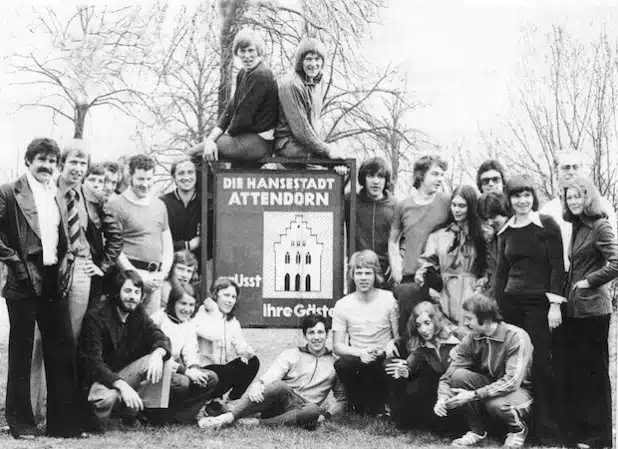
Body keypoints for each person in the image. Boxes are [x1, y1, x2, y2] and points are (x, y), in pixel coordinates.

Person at [0, 138, 85, 438]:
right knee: (21, 352)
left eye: (51, 161)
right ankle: (21, 423)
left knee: (61, 349)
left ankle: (64, 424)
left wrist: (67, 263)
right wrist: (15, 264)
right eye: (41, 160)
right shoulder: (9, 192)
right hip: (22, 281)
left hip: (52, 280)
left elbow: (66, 238)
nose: (46, 166)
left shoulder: (57, 194)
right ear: (28, 161)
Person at [494, 174, 565, 445]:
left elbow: (558, 267)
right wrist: (498, 312)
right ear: (509, 199)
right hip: (512, 306)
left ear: (533, 196)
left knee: (541, 365)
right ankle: (516, 425)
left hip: (539, 305)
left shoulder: (546, 224)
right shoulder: (507, 230)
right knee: (516, 366)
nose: (522, 201)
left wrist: (554, 305)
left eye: (526, 195)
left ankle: (545, 430)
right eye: (516, 196)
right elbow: (501, 275)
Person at [197, 313, 346, 429]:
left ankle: (255, 423)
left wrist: (326, 416)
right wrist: (259, 383)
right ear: (305, 335)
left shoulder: (334, 363)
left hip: (304, 410)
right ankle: (227, 417)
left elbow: (341, 399)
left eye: (320, 332)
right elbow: (272, 374)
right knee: (279, 385)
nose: (316, 337)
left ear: (327, 334)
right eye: (311, 333)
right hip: (278, 403)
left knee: (313, 410)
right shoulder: (292, 354)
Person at [78, 270, 172, 432]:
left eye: (137, 292)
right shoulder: (97, 316)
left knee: (162, 359)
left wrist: (158, 354)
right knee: (105, 398)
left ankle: (145, 416)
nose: (132, 297)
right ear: (116, 292)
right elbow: (94, 363)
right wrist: (122, 386)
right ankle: (100, 423)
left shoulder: (137, 312)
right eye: (127, 291)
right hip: (100, 378)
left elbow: (160, 336)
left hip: (124, 373)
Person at [435, 294, 533, 449]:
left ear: (486, 319)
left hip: (519, 391)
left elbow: (512, 381)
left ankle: (517, 430)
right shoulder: (473, 337)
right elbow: (450, 374)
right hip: (490, 387)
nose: (465, 323)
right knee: (459, 376)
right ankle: (477, 431)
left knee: (496, 404)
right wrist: (442, 397)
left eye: (469, 318)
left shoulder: (516, 336)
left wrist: (473, 394)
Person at [561, 175, 617, 448]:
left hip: (594, 310)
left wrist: (589, 280)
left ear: (588, 198)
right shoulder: (576, 226)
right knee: (579, 371)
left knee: (595, 372)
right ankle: (583, 432)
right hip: (575, 310)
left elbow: (617, 262)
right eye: (569, 197)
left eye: (578, 196)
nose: (573, 201)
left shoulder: (600, 225)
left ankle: (601, 437)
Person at [57, 140, 123, 339]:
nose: (78, 169)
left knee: (74, 329)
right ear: (62, 163)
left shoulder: (94, 196)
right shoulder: (48, 191)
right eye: (73, 162)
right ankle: (37, 372)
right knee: (44, 330)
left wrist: (103, 266)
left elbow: (115, 235)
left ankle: (68, 371)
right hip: (53, 265)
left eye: (82, 164)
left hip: (82, 267)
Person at [190, 29, 278, 166]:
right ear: (236, 52)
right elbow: (231, 108)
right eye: (242, 51)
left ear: (259, 51)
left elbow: (242, 118)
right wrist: (211, 138)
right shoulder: (243, 73)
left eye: (251, 50)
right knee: (204, 148)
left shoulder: (260, 75)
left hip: (260, 142)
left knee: (193, 153)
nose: (247, 56)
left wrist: (217, 140)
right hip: (246, 138)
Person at [388, 155, 450, 339]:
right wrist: (396, 267)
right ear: (421, 175)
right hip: (410, 279)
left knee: (438, 330)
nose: (440, 179)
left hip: (437, 277)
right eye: (435, 174)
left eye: (442, 175)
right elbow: (393, 240)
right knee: (409, 330)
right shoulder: (404, 205)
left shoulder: (446, 202)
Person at [332, 250, 399, 416]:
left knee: (391, 364)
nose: (363, 278)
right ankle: (357, 403)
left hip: (383, 356)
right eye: (358, 273)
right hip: (359, 359)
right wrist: (360, 353)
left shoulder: (389, 299)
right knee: (342, 364)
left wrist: (391, 344)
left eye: (368, 273)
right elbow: (337, 346)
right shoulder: (342, 304)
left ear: (375, 274)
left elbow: (399, 336)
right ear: (352, 275)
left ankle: (385, 404)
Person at [108, 154, 173, 316]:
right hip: (128, 279)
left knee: (148, 330)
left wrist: (162, 274)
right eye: (140, 179)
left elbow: (167, 245)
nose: (145, 184)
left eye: (149, 179)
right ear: (130, 177)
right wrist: (137, 277)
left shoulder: (160, 205)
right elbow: (114, 247)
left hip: (154, 279)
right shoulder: (116, 205)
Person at [415, 185, 488, 326]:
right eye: (454, 205)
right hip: (445, 292)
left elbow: (489, 265)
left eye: (462, 206)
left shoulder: (482, 234)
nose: (457, 210)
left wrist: (481, 286)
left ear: (471, 207)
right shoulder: (439, 234)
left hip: (472, 291)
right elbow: (427, 262)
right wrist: (423, 275)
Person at [385, 301, 463, 432]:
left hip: (457, 391)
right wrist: (405, 371)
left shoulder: (456, 337)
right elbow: (409, 366)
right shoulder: (421, 347)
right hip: (435, 398)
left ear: (436, 320)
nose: (423, 330)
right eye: (418, 325)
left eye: (427, 323)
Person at [150, 281, 219, 424]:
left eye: (191, 305)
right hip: (155, 370)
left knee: (210, 377)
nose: (187, 309)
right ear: (173, 302)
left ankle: (181, 417)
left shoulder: (188, 324)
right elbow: (158, 356)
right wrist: (186, 372)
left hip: (175, 370)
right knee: (182, 382)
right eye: (183, 303)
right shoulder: (158, 319)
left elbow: (190, 352)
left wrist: (194, 369)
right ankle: (154, 415)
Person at [540, 149, 617, 271]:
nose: (571, 172)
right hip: (557, 280)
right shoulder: (547, 211)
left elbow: (613, 253)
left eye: (575, 167)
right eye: (566, 168)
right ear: (556, 173)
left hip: (591, 279)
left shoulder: (602, 206)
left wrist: (594, 282)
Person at [192, 277, 260, 415]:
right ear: (216, 294)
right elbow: (213, 334)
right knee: (223, 370)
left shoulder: (233, 322)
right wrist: (216, 314)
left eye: (233, 297)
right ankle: (209, 402)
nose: (230, 300)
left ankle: (231, 402)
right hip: (202, 373)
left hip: (221, 373)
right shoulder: (202, 313)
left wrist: (246, 352)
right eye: (226, 295)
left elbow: (240, 344)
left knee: (253, 362)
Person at [274, 38, 335, 160]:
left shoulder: (318, 81)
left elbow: (312, 122)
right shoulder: (292, 84)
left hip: (306, 144)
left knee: (341, 163)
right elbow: (300, 129)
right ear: (300, 61)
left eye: (317, 59)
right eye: (308, 59)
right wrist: (325, 149)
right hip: (288, 144)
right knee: (331, 160)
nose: (313, 64)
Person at [345, 157, 398, 288]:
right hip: (358, 271)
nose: (376, 181)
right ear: (364, 178)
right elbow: (332, 202)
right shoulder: (351, 201)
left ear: (386, 180)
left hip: (385, 271)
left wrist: (396, 260)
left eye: (380, 177)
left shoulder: (395, 205)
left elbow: (404, 238)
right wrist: (339, 176)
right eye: (371, 176)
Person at [160, 157, 202, 267]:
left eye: (190, 172)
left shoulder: (204, 203)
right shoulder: (163, 203)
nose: (186, 177)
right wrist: (187, 245)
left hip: (200, 268)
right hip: (170, 264)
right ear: (174, 177)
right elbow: (158, 241)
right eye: (181, 173)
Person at [477, 191, 509, 294]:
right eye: (486, 219)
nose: (490, 222)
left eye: (493, 217)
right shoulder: (493, 238)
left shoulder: (516, 236)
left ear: (504, 212)